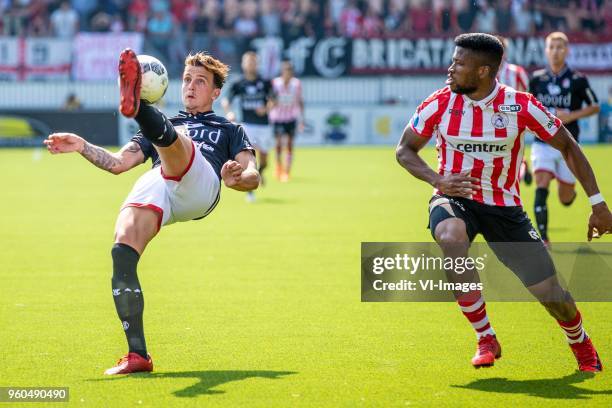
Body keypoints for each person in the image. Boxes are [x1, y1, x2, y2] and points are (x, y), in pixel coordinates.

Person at [396, 33, 611, 372]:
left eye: (459, 63)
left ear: (484, 71)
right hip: (454, 198)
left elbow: (568, 145)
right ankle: (485, 337)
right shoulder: (440, 103)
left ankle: (581, 342)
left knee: (552, 295)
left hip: (504, 208)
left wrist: (598, 204)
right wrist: (437, 180)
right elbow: (404, 149)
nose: (450, 69)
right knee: (451, 238)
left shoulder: (519, 105)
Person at [44, 49, 259, 375]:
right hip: (161, 182)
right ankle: (137, 355)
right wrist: (82, 146)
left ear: (216, 93)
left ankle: (138, 106)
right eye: (187, 79)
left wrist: (238, 179)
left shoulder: (228, 129)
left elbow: (253, 175)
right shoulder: (165, 124)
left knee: (180, 143)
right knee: (123, 246)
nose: (190, 86)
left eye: (200, 82)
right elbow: (118, 164)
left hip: (200, 186)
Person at [529, 32, 600, 246]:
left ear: (567, 51)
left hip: (568, 145)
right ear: (546, 50)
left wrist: (571, 115)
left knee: (565, 198)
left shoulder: (578, 79)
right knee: (541, 184)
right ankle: (544, 238)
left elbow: (595, 106)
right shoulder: (536, 79)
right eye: (552, 47)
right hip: (542, 143)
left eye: (560, 47)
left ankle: (569, 192)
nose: (556, 51)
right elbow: (528, 107)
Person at [222, 51, 273, 201]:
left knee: (264, 161)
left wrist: (266, 108)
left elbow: (273, 99)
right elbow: (226, 100)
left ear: (257, 64)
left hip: (264, 125)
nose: (251, 64)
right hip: (247, 125)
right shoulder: (239, 83)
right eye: (248, 62)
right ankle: (250, 191)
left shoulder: (265, 82)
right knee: (249, 158)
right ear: (244, 64)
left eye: (253, 62)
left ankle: (259, 172)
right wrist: (229, 112)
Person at [495, 35, 532, 185]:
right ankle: (522, 166)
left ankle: (519, 172)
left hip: (513, 118)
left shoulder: (516, 71)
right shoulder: (484, 71)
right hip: (492, 118)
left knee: (510, 151)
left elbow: (527, 95)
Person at [269, 60, 304, 182]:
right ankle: (279, 167)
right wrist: (271, 106)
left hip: (291, 118)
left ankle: (287, 171)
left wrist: (302, 119)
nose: (287, 73)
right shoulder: (275, 83)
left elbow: (300, 101)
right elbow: (270, 99)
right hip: (277, 118)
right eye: (285, 70)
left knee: (289, 144)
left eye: (290, 71)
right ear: (282, 72)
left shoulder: (296, 84)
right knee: (278, 144)